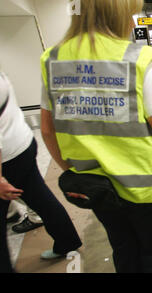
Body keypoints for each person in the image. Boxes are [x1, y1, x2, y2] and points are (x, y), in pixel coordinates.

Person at [39, 0, 152, 273]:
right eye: (130, 13)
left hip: (99, 188)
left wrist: (74, 171)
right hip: (149, 189)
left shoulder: (53, 59)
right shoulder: (136, 59)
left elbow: (47, 130)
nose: (133, 22)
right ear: (114, 13)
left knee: (123, 248)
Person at [1, 71, 82, 273]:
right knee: (40, 197)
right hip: (22, 144)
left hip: (6, 158)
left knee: (39, 197)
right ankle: (67, 241)